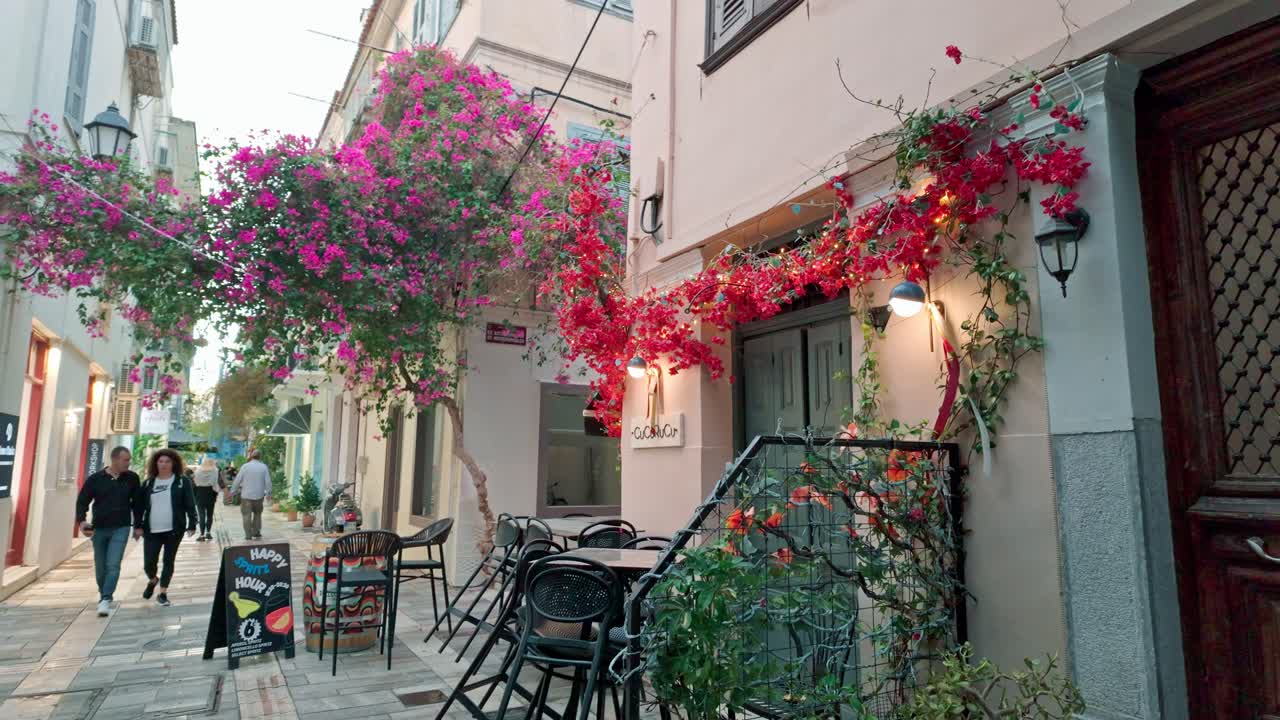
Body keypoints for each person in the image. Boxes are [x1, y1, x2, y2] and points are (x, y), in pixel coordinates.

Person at [75, 446, 141, 617]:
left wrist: (139, 525)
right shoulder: (96, 479)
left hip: (121, 527)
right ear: (115, 460)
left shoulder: (132, 478)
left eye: (129, 459)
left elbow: (138, 504)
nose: (128, 463)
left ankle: (105, 598)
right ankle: (104, 592)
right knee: (101, 567)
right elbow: (82, 501)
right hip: (99, 529)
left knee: (113, 564)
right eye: (126, 460)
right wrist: (81, 521)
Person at [139, 449, 197, 607]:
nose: (164, 464)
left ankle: (163, 592)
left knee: (168, 561)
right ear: (155, 463)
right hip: (151, 530)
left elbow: (190, 503)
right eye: (160, 461)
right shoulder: (148, 482)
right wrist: (138, 526)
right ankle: (153, 579)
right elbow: (140, 506)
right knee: (148, 563)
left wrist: (192, 523)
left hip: (174, 529)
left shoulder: (181, 481)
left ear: (174, 464)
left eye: (167, 461)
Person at [230, 450, 271, 540]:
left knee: (246, 515)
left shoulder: (245, 466)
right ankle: (256, 532)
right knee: (257, 514)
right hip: (259, 495)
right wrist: (268, 493)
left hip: (246, 496)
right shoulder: (263, 467)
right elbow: (268, 481)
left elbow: (238, 479)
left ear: (251, 456)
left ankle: (248, 535)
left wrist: (232, 491)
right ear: (260, 457)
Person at [192, 456, 222, 541]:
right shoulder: (215, 471)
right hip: (210, 493)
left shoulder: (198, 471)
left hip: (200, 493)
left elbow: (195, 483)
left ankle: (201, 535)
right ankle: (208, 533)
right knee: (209, 515)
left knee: (201, 515)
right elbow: (215, 483)